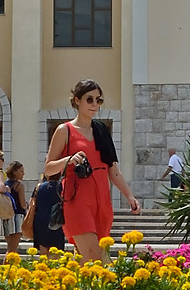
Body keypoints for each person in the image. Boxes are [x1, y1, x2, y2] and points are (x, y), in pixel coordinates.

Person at [42, 80, 141, 261]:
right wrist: (68, 160)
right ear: (77, 100)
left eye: (98, 100)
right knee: (96, 258)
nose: (95, 104)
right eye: (89, 99)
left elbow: (113, 170)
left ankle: (65, 288)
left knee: (87, 261)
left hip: (102, 201)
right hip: (77, 199)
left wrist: (129, 195)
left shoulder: (101, 130)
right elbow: (48, 169)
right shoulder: (65, 130)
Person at [30, 168, 66, 251]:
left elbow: (33, 202)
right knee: (56, 251)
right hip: (56, 220)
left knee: (43, 250)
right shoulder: (62, 187)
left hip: (40, 220)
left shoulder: (39, 187)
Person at [3, 160, 28, 254]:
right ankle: (8, 267)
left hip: (6, 216)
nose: (23, 173)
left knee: (10, 246)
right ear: (14, 172)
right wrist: (28, 205)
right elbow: (23, 204)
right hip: (17, 217)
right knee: (12, 249)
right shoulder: (19, 185)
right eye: (21, 171)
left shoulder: (5, 184)